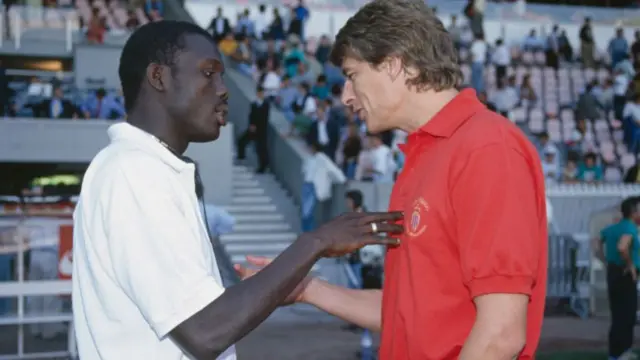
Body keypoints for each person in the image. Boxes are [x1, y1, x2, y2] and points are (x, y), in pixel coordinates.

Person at [71, 20, 403, 360]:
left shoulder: (144, 169)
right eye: (208, 73)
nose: (222, 89)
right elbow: (205, 331)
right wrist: (315, 243)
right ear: (159, 77)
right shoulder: (135, 172)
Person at [239, 1, 548, 359]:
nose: (346, 96)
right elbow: (409, 313)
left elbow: (500, 334)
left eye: (353, 76)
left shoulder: (486, 148)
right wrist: (307, 289)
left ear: (393, 64)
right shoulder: (423, 155)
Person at [593, 197, 640, 360]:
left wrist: (603, 259)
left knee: (618, 314)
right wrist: (630, 265)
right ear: (634, 212)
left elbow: (597, 241)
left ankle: (616, 353)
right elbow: (622, 246)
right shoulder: (629, 227)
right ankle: (622, 353)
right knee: (627, 315)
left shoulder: (614, 227)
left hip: (613, 272)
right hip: (625, 274)